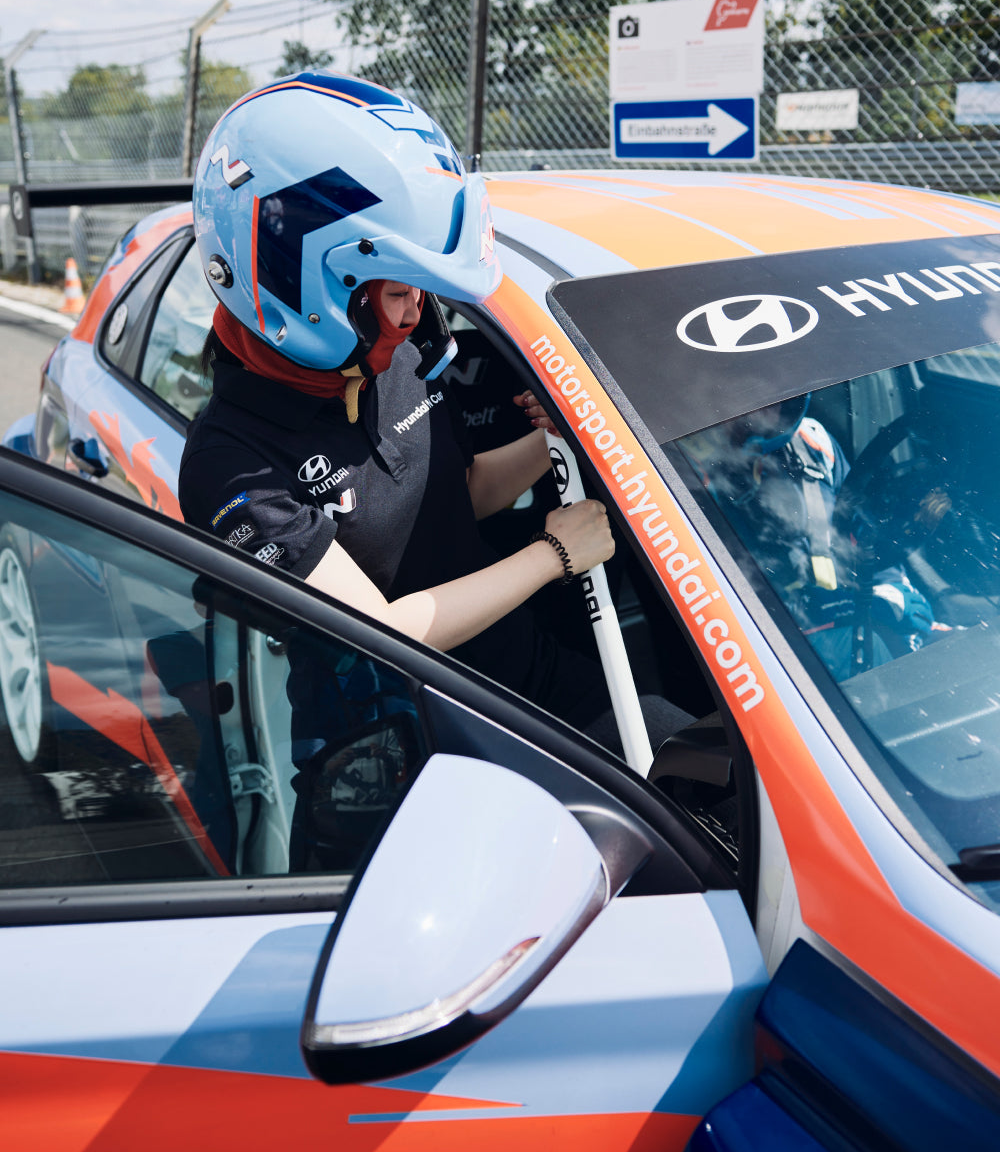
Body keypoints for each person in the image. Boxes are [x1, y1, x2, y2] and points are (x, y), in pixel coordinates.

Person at [179, 71, 690, 764]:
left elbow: (463, 490)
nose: (416, 310)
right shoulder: (231, 464)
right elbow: (379, 632)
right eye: (395, 288)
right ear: (298, 283)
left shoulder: (395, 345)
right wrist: (553, 555)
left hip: (516, 671)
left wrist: (555, 436)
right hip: (390, 741)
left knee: (684, 755)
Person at [680, 395, 942, 680]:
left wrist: (890, 594)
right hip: (770, 663)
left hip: (852, 626)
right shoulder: (679, 478)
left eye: (773, 388)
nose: (768, 404)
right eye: (748, 390)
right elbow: (711, 613)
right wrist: (831, 613)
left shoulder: (812, 442)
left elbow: (863, 539)